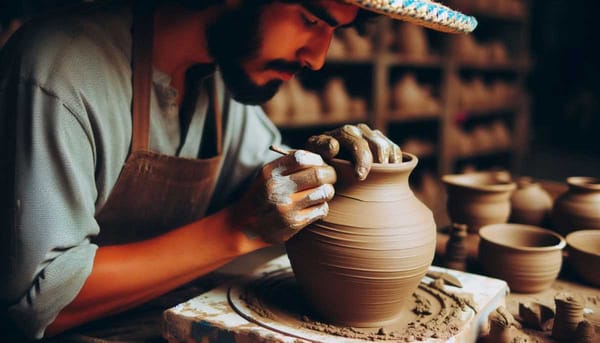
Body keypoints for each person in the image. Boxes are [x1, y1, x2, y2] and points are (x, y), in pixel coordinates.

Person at [0, 0, 476, 340]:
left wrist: (327, 168)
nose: (317, 57)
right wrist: (237, 229)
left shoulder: (221, 87)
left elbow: (267, 181)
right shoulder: (60, 72)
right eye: (311, 19)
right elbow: (34, 302)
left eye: (335, 31)